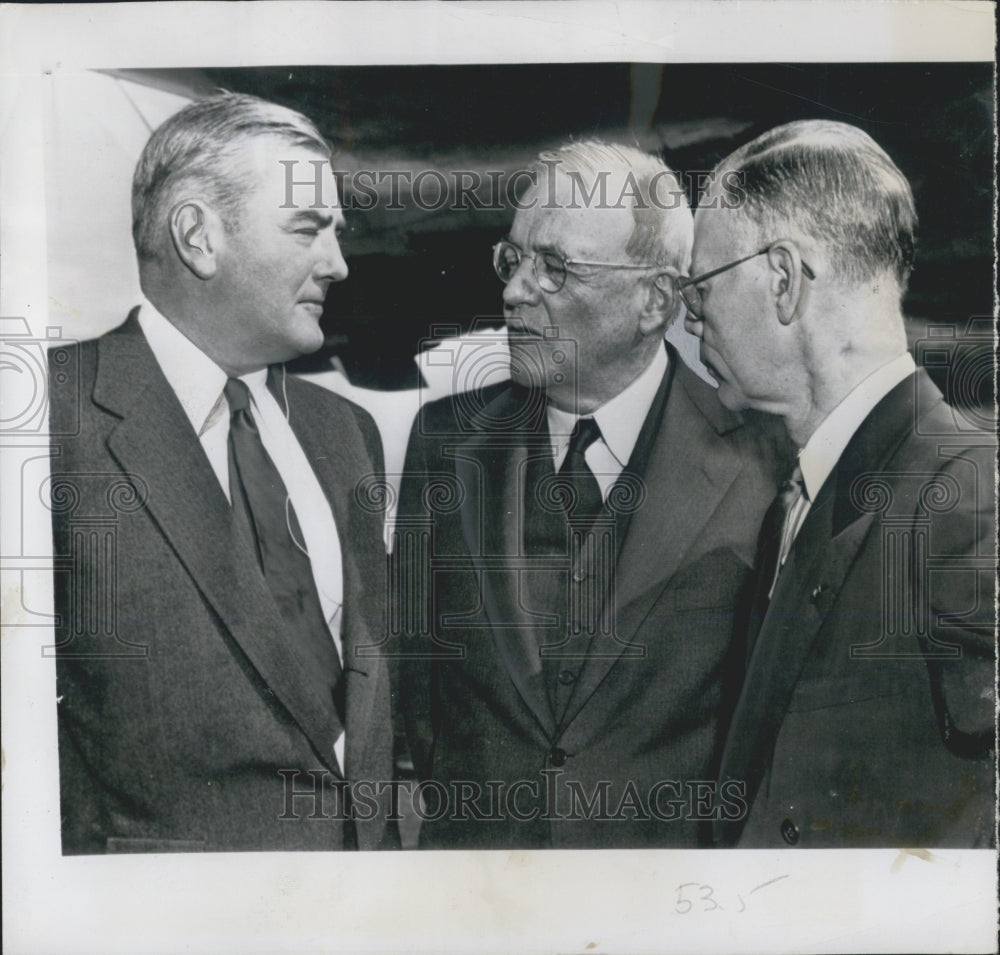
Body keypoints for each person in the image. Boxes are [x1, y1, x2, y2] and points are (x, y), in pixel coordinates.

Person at [395, 141, 789, 848]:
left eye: (555, 268)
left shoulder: (762, 462)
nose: (516, 290)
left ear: (654, 300)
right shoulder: (444, 441)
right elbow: (416, 692)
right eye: (511, 260)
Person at [49, 93, 396, 853]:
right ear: (198, 237)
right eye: (308, 229)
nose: (338, 263)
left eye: (338, 231)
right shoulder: (47, 420)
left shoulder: (346, 436)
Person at [682, 119, 996, 848]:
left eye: (702, 285)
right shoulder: (792, 510)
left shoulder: (970, 497)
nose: (691, 314)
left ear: (784, 279)